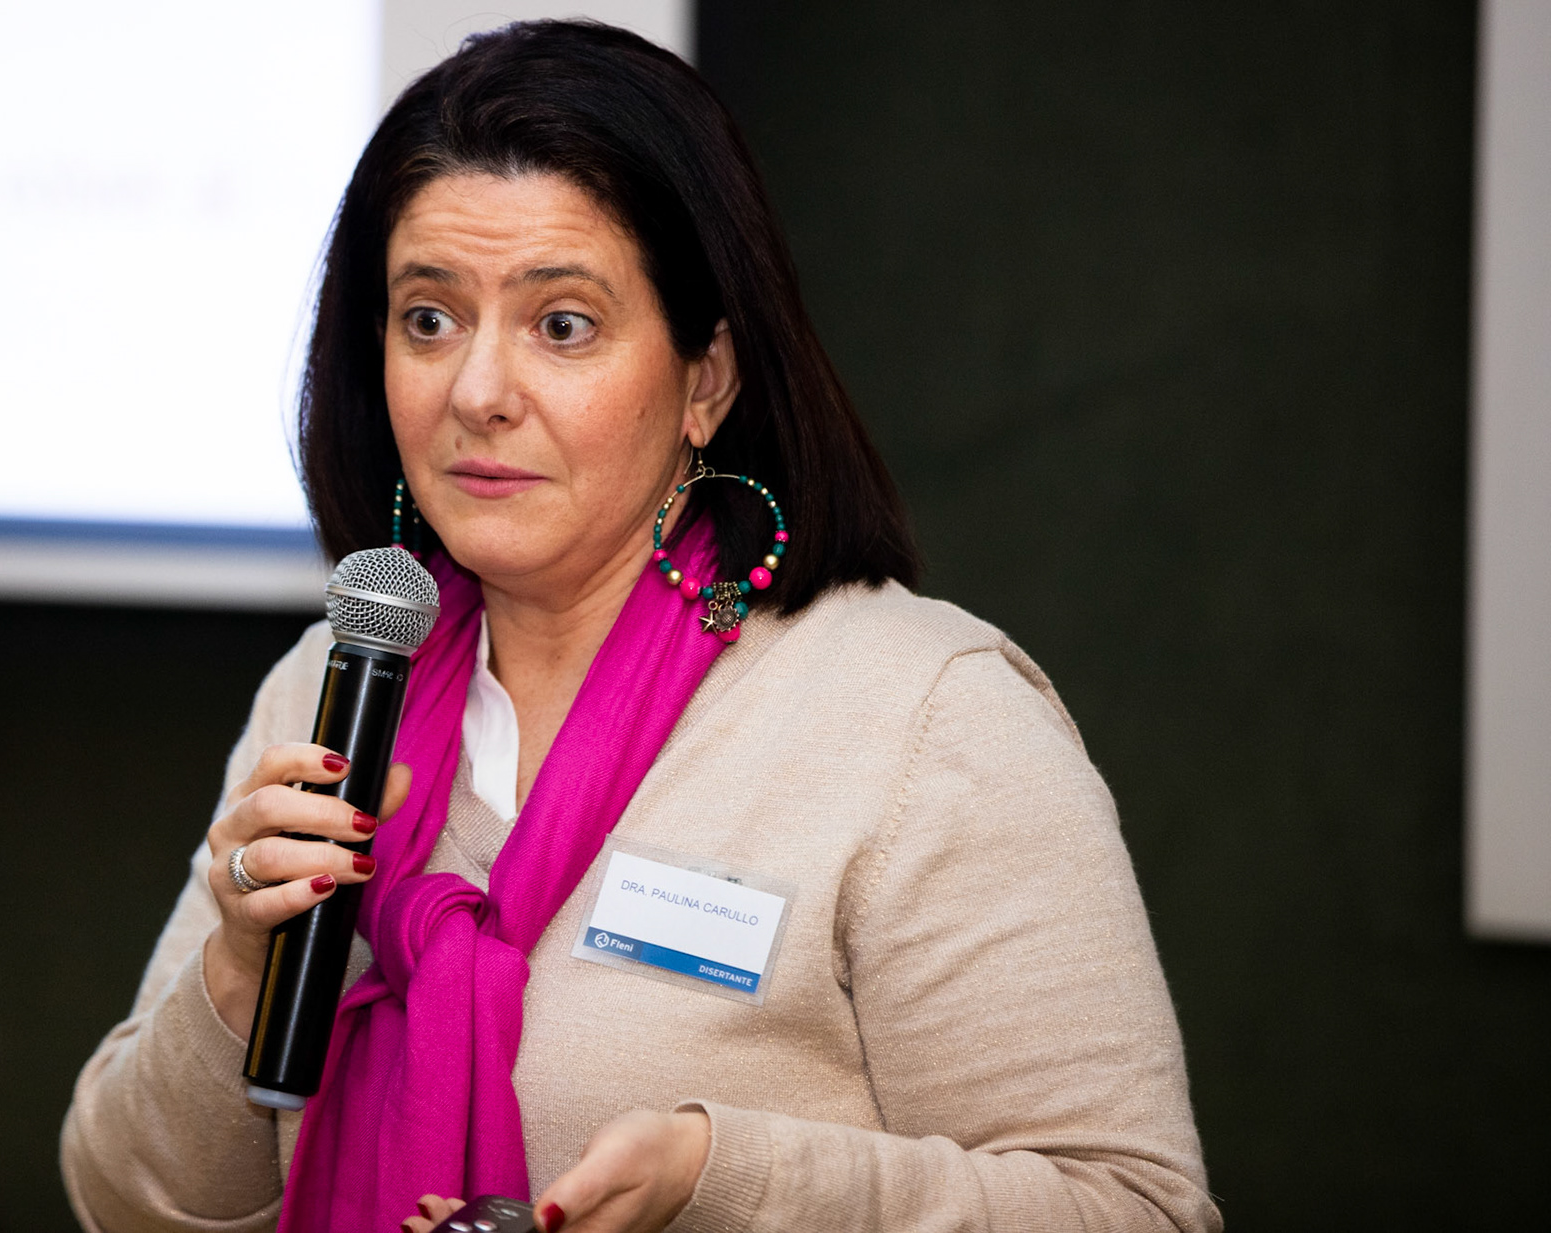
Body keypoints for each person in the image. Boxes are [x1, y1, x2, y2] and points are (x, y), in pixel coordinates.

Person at [62, 20, 1221, 1233]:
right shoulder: (335, 682)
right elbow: (122, 1203)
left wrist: (721, 1182)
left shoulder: (927, 721)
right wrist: (239, 971)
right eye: (429, 319)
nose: (477, 392)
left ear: (704, 376)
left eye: (561, 324)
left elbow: (1131, 1211)